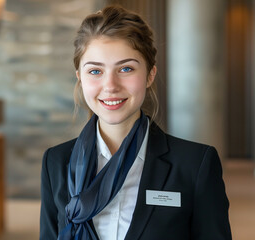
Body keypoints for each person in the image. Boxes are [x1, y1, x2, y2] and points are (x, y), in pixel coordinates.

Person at [40, 5, 232, 240]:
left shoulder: (195, 165)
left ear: (150, 74)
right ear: (79, 77)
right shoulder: (56, 162)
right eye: (95, 71)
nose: (110, 86)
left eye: (126, 68)